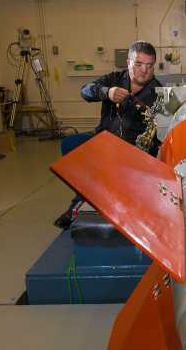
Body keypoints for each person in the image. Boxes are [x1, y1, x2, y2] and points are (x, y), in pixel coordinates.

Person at [54, 40, 162, 229]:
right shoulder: (114, 79)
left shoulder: (158, 93)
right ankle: (88, 196)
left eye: (149, 65)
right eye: (138, 64)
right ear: (128, 62)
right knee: (69, 144)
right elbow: (85, 91)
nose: (144, 70)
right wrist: (107, 92)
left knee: (108, 168)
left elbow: (160, 135)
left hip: (135, 154)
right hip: (103, 143)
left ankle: (76, 206)